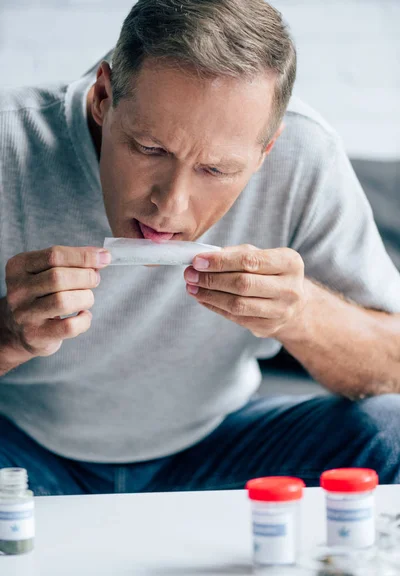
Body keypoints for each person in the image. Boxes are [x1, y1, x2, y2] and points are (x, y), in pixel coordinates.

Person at [0, 0, 400, 497]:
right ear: (104, 97)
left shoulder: (306, 153)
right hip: (23, 451)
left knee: (390, 431)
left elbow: (394, 363)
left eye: (216, 169)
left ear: (267, 148)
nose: (170, 207)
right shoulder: (9, 142)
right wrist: (8, 335)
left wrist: (301, 314)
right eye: (150, 149)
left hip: (220, 444)